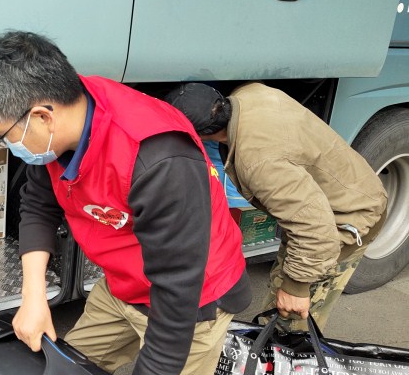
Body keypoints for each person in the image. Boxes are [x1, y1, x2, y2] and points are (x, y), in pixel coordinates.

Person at [0, 31, 251, 375]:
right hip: (122, 282)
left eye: (3, 135)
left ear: (42, 117)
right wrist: (33, 295)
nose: (6, 144)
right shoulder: (66, 114)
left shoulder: (159, 160)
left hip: (192, 300)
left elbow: (177, 290)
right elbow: (37, 203)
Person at [165, 82, 387, 331]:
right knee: (280, 292)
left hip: (345, 219)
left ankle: (285, 347)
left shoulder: (260, 164)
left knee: (288, 327)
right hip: (335, 197)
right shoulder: (250, 94)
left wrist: (296, 288)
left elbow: (315, 231)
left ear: (200, 134)